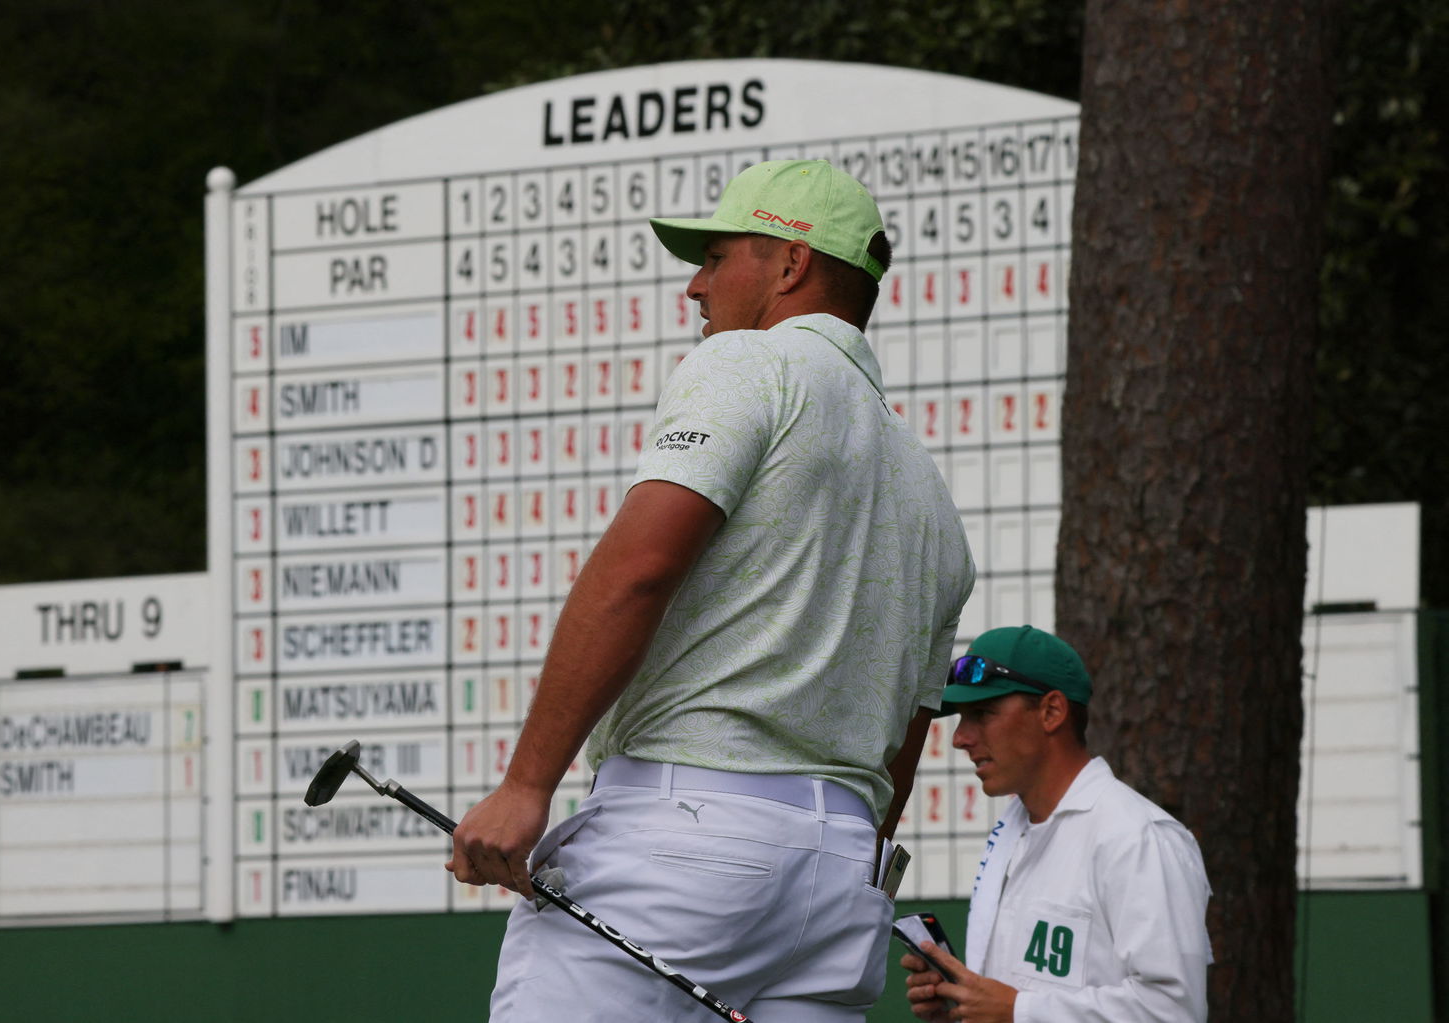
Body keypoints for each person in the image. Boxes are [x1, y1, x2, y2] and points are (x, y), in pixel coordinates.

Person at [449, 158, 975, 1020]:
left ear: (789, 263)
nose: (696, 285)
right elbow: (905, 738)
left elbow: (639, 568)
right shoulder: (931, 493)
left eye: (716, 254)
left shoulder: (749, 364)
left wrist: (524, 786)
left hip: (686, 845)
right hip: (841, 881)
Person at [902, 625, 1212, 1023]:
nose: (960, 737)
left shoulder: (1139, 837)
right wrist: (961, 1006)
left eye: (983, 714)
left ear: (1052, 711)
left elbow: (1175, 1011)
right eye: (963, 717)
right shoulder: (1014, 829)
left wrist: (1017, 1011)